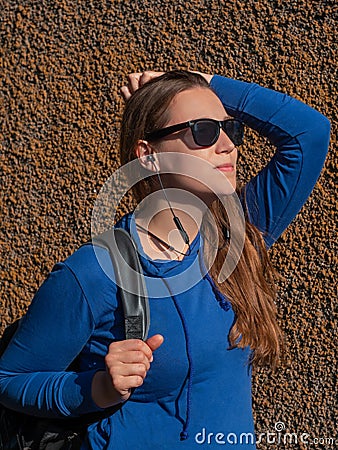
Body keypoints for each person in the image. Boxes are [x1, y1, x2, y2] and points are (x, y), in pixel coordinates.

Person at [0, 69, 330, 449]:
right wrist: (99, 388)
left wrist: (201, 80)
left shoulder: (235, 235)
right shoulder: (96, 272)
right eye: (203, 131)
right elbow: (10, 380)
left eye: (230, 129)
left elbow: (309, 134)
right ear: (148, 156)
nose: (228, 145)